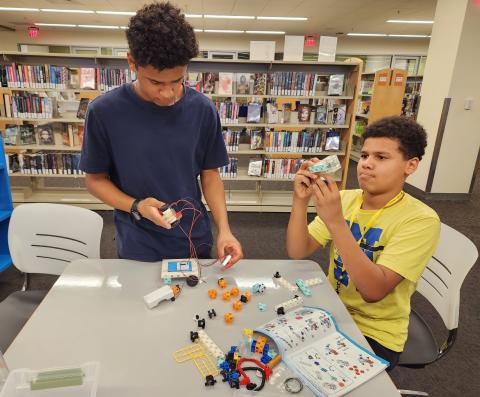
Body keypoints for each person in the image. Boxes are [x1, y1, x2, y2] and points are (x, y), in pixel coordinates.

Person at [80, 2, 243, 266]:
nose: (168, 94)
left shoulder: (202, 109)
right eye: (156, 82)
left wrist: (224, 229)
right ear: (132, 62)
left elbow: (210, 175)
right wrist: (136, 205)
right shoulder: (104, 112)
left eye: (177, 81)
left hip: (193, 237)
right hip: (138, 242)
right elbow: (95, 180)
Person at [286, 116, 440, 371]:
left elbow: (373, 291)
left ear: (410, 165)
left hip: (376, 331)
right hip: (330, 310)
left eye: (381, 157)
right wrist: (300, 201)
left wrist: (336, 222)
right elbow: (297, 250)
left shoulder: (420, 220)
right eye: (365, 155)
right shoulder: (346, 199)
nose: (366, 164)